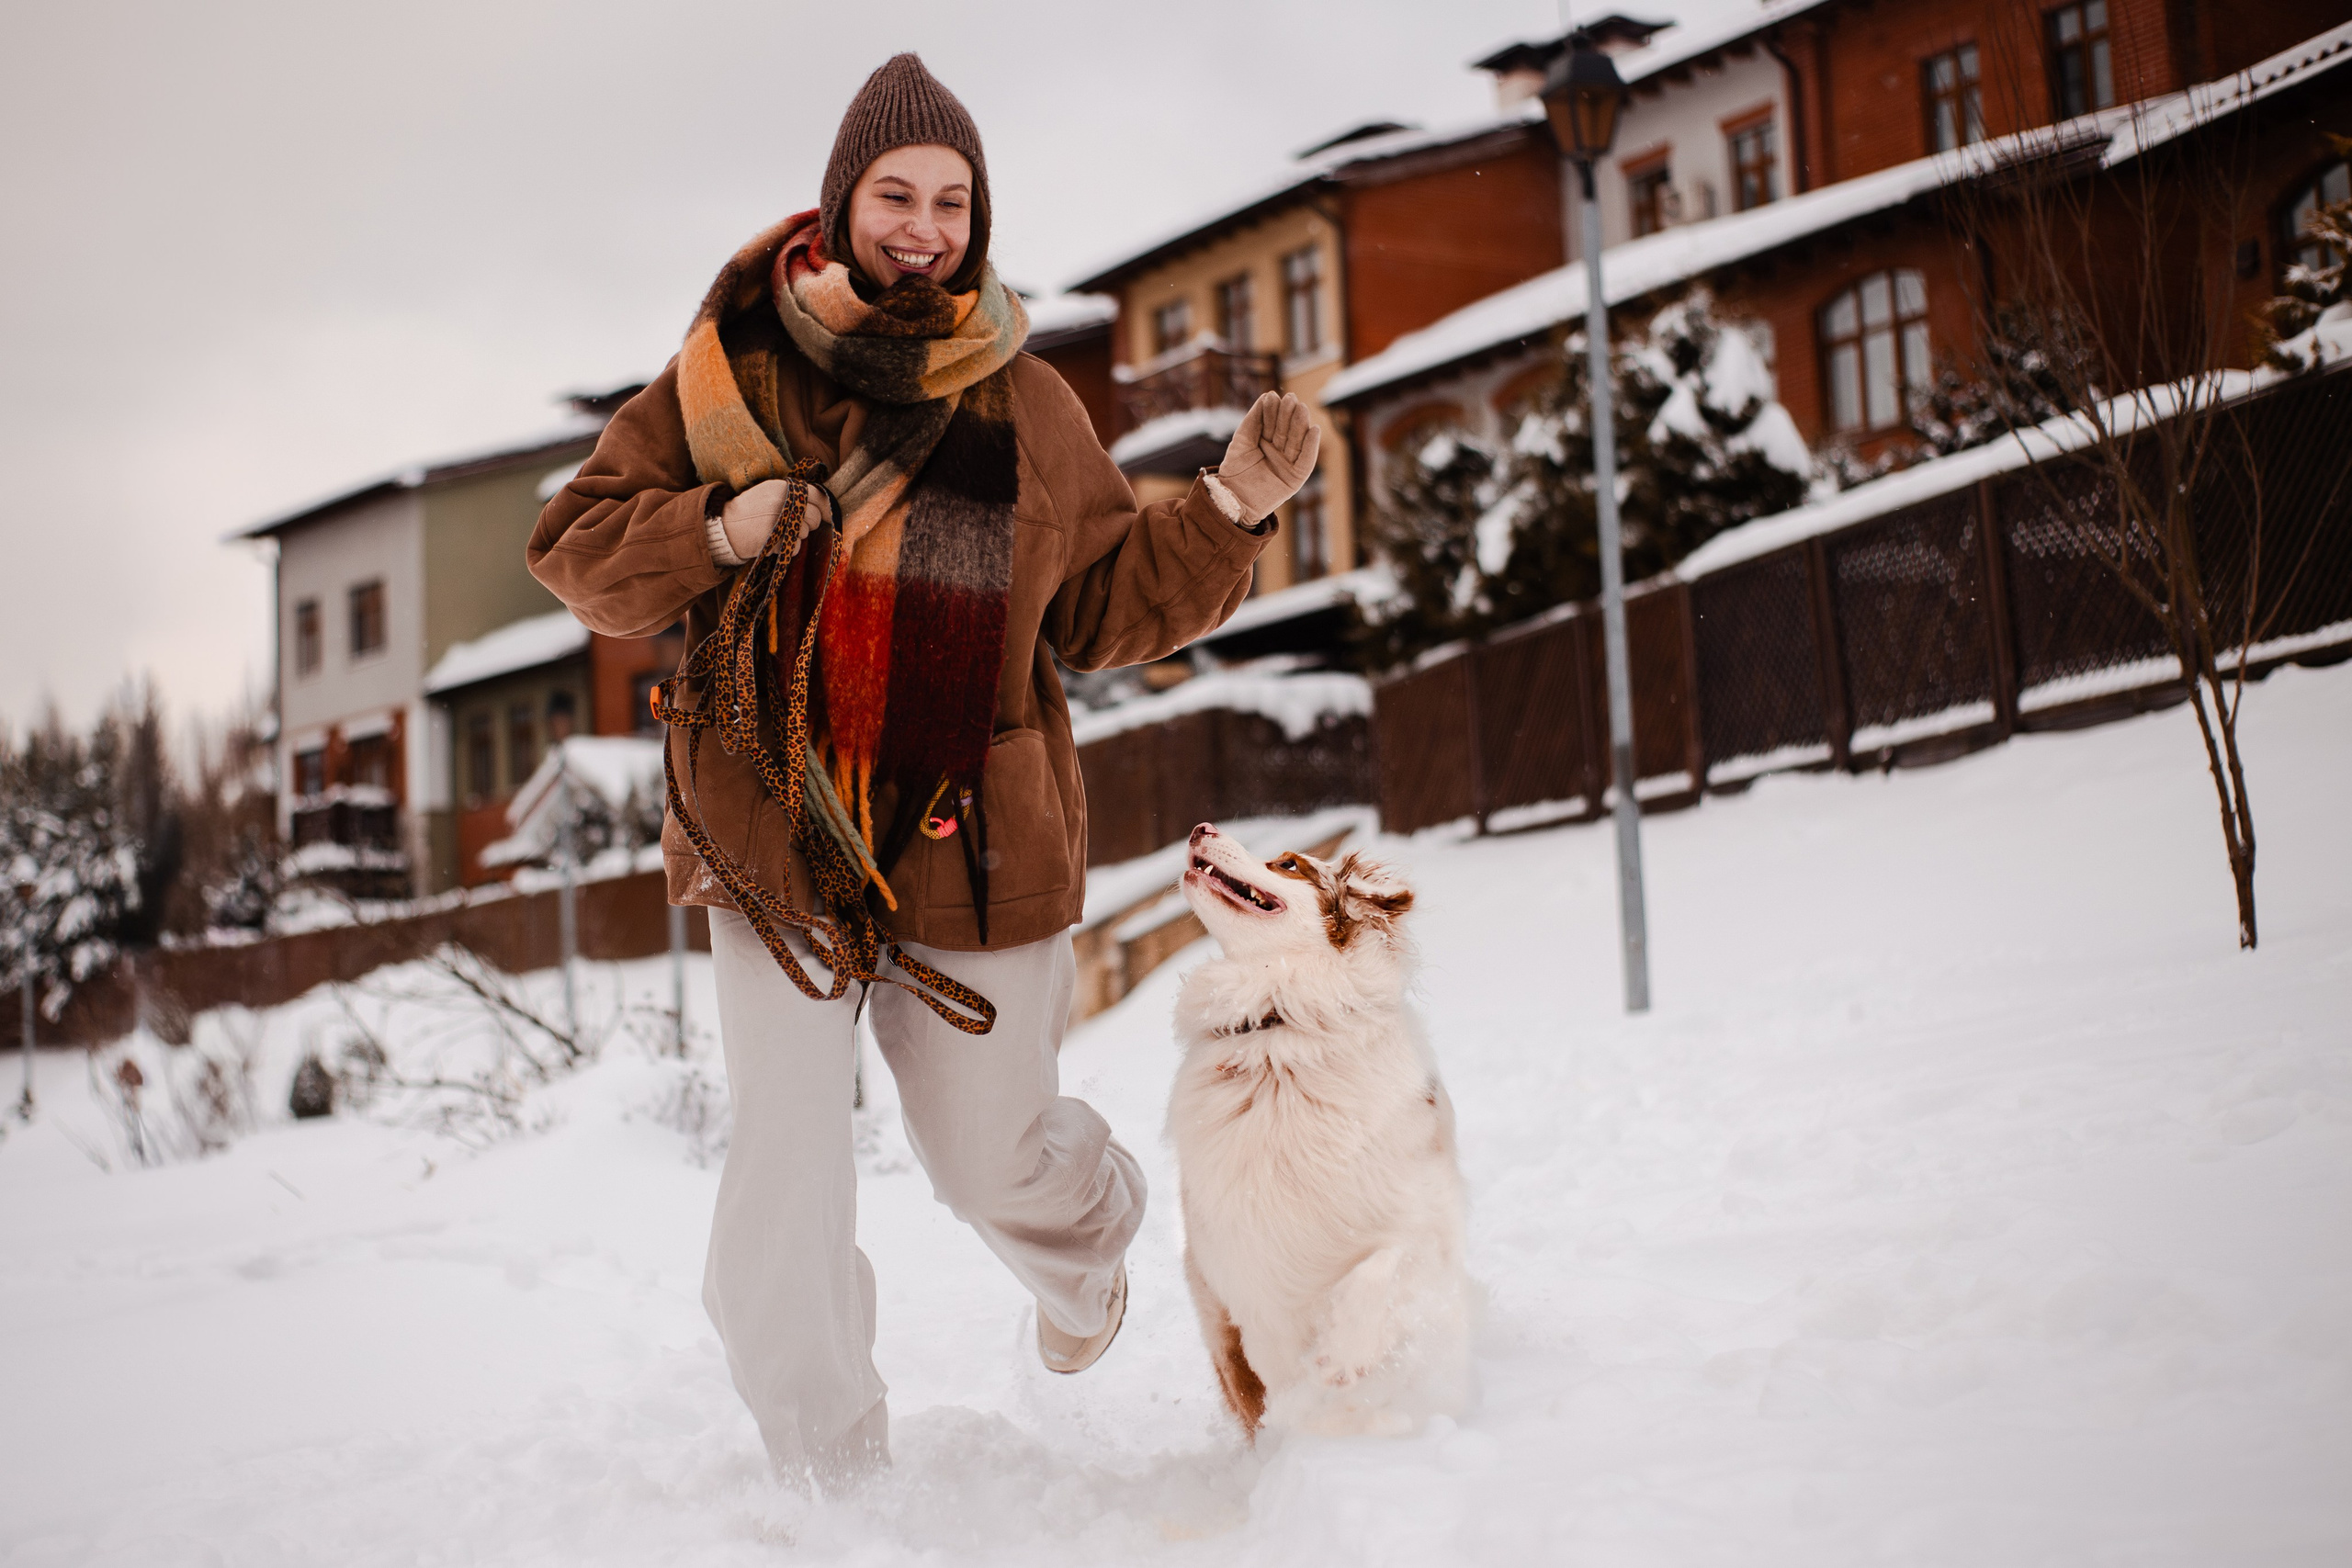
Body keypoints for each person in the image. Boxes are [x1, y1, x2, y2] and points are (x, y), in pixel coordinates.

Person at [527, 52, 1319, 1489]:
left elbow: (1095, 610)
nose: (924, 225)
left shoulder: (1026, 400)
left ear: (979, 219)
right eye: (897, 193)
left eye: (952, 201)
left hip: (973, 828)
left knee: (988, 1158)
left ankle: (1088, 1258)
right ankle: (832, 1472)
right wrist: (717, 527)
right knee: (784, 1166)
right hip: (776, 825)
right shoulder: (732, 370)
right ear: (842, 205)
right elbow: (578, 546)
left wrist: (1227, 511)